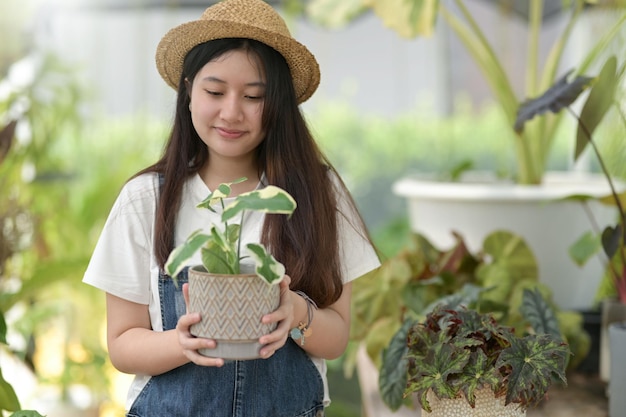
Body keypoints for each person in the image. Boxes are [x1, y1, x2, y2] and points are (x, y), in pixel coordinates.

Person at [83, 0, 380, 416]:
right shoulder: (145, 199)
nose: (231, 112)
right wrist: (181, 343)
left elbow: (337, 335)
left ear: (278, 104)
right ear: (188, 90)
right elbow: (121, 344)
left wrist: (296, 312)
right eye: (215, 91)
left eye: (254, 96)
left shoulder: (318, 193)